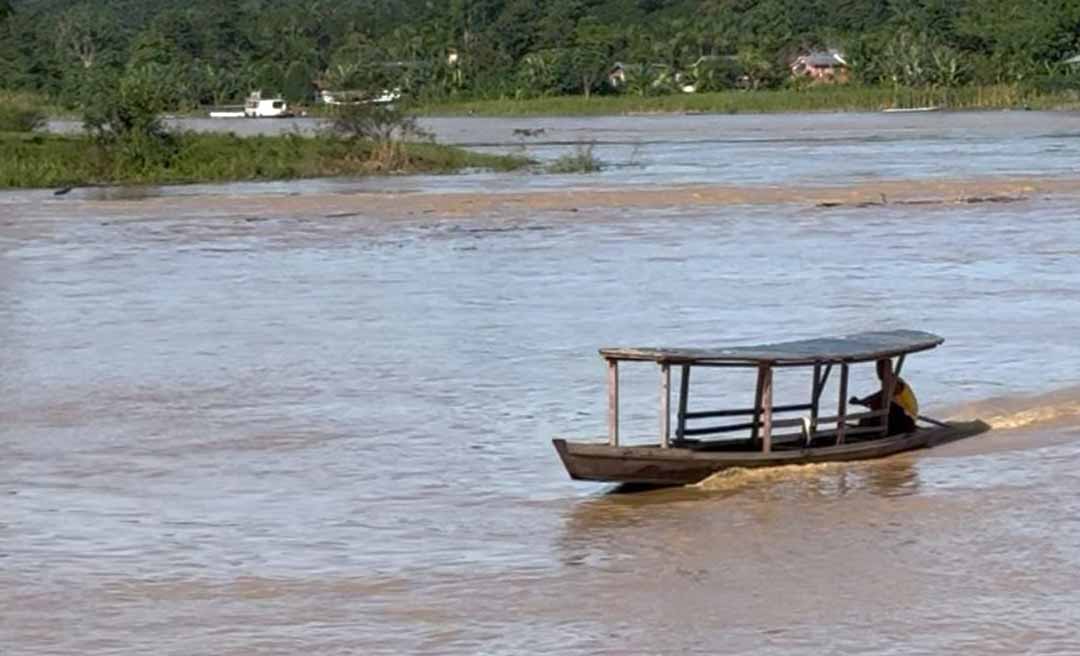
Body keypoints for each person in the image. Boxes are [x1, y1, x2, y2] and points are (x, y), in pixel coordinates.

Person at [850, 359, 918, 436]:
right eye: (878, 369)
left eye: (881, 369)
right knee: (867, 417)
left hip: (908, 419)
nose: (878, 372)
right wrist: (862, 402)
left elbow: (882, 395)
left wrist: (861, 401)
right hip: (897, 416)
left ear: (889, 369)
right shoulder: (885, 381)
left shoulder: (896, 383)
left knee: (879, 403)